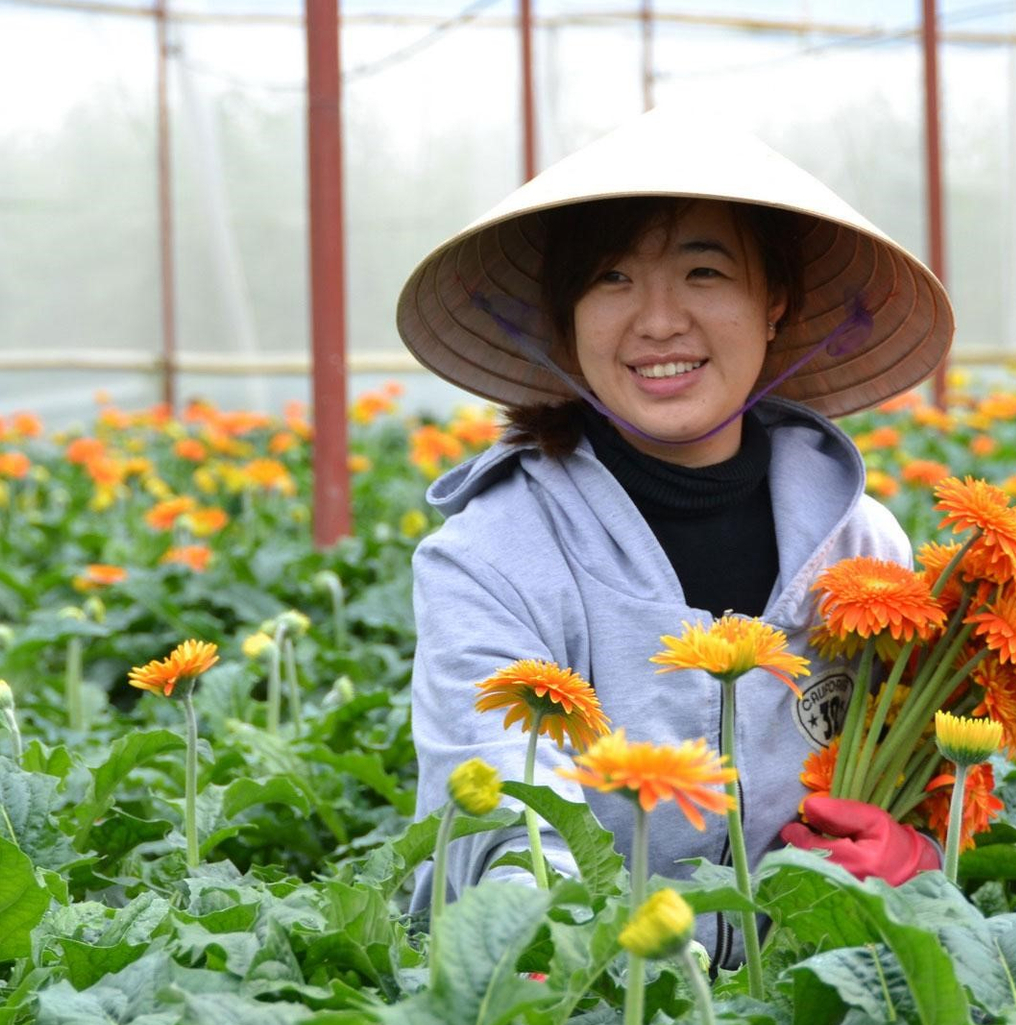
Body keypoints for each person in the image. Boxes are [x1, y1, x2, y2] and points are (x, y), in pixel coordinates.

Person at [396, 109, 953, 964]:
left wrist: (919, 853)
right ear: (566, 319)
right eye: (611, 278)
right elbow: (496, 823)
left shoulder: (865, 549)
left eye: (704, 271)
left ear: (774, 302)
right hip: (587, 1023)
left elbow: (927, 777)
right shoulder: (490, 556)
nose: (658, 320)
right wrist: (576, 961)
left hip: (819, 1008)